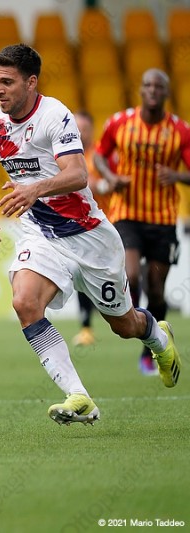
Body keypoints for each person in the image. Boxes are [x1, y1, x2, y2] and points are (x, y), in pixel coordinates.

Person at [0, 44, 181, 426]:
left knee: (124, 325)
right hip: (41, 233)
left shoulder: (55, 116)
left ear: (31, 82)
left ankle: (157, 337)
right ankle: (79, 396)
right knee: (24, 302)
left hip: (89, 236)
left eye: (7, 82)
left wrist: (34, 189)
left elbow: (79, 174)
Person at [93, 68, 190, 376]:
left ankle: (151, 347)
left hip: (163, 219)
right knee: (131, 275)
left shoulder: (180, 131)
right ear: (141, 90)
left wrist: (177, 175)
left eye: (158, 86)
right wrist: (110, 177)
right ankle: (131, 321)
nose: (152, 90)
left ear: (166, 92)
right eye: (147, 85)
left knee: (156, 289)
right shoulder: (120, 123)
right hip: (127, 215)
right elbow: (99, 154)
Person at [71, 110, 112, 347]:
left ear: (91, 131)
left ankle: (133, 318)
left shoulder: (100, 156)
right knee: (81, 273)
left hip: (108, 224)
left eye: (83, 129)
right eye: (76, 128)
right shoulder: (67, 154)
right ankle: (86, 327)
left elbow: (109, 183)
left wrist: (101, 185)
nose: (79, 133)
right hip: (80, 226)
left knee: (117, 275)